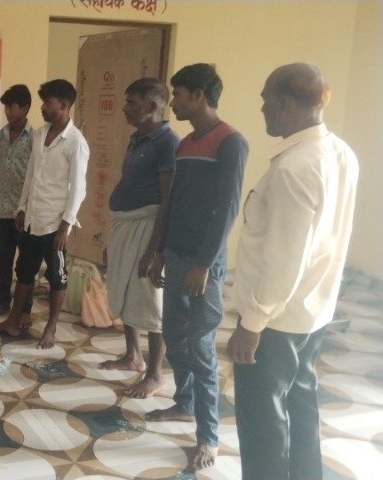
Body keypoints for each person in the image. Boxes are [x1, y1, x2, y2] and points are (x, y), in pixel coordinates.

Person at [228, 63, 358, 480]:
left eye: (265, 99)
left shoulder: (295, 167)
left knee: (262, 420)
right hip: (312, 310)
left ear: (284, 103)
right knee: (301, 404)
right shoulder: (340, 152)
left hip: (275, 321)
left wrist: (252, 323)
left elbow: (285, 259)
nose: (262, 107)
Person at [145, 63, 248, 471]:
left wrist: (204, 264)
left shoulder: (231, 142)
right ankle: (184, 403)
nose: (173, 101)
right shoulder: (186, 143)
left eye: (178, 94)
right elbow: (173, 203)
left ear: (199, 96)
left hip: (205, 266)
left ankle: (209, 438)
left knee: (201, 347)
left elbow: (227, 210)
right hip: (176, 256)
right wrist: (160, 251)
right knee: (174, 335)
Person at [0, 79, 89, 349]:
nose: (42, 107)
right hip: (33, 219)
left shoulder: (75, 142)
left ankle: (51, 328)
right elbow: (31, 176)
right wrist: (22, 208)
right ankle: (12, 320)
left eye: (47, 103)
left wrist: (66, 226)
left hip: (55, 224)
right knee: (24, 271)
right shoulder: (41, 134)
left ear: (63, 105)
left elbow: (79, 189)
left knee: (57, 277)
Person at [99, 78, 179, 399]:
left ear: (152, 105)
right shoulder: (136, 139)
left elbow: (167, 199)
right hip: (125, 226)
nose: (125, 108)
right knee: (123, 289)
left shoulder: (167, 142)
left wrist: (154, 250)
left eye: (132, 103)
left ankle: (155, 373)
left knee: (149, 301)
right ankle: (133, 355)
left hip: (147, 229)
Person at [0, 84, 34, 320]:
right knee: (1, 262)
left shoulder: (35, 139)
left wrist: (27, 209)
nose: (8, 112)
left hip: (24, 213)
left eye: (12, 107)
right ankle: (3, 303)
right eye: (6, 107)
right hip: (2, 211)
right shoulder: (0, 137)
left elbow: (36, 177)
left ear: (25, 108)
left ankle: (24, 310)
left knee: (25, 265)